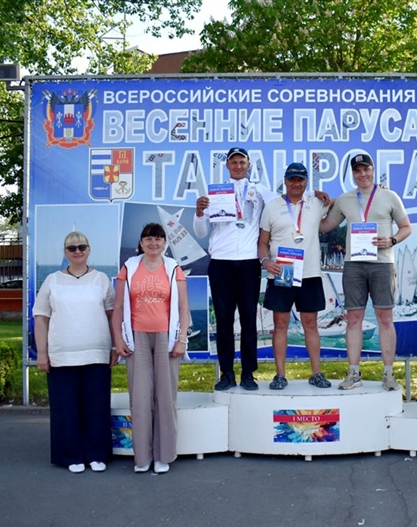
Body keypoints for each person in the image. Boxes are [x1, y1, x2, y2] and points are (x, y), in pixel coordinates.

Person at [194, 147, 328, 391]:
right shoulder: (214, 194)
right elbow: (201, 231)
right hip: (221, 261)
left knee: (248, 319)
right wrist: (199, 212)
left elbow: (289, 197)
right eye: (233, 162)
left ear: (248, 165)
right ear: (227, 165)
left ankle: (248, 374)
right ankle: (226, 373)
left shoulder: (261, 191)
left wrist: (313, 193)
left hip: (248, 262)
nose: (238, 166)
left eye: (242, 162)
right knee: (223, 320)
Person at [319, 153, 412, 391]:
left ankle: (388, 374)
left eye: (366, 169)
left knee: (385, 318)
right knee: (353, 319)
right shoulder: (345, 199)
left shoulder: (390, 196)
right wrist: (318, 205)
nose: (363, 174)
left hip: (382, 264)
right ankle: (353, 373)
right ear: (353, 174)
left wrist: (392, 240)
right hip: (354, 265)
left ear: (373, 170)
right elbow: (325, 226)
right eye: (358, 171)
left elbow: (406, 227)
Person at [33, 231, 115, 474]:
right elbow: (41, 318)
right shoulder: (52, 281)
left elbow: (112, 315)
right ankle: (70, 456)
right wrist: (42, 353)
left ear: (89, 250)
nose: (77, 251)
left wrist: (114, 346)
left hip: (97, 353)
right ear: (65, 252)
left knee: (97, 407)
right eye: (72, 248)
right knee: (65, 409)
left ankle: (96, 454)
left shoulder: (101, 279)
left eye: (81, 247)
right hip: (61, 355)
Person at [112, 223, 190, 474]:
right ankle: (143, 457)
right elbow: (118, 308)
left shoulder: (173, 268)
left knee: (166, 397)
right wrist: (118, 340)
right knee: (140, 399)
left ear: (165, 242)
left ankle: (163, 455)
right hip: (137, 339)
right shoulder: (129, 267)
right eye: (148, 239)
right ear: (141, 242)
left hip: (167, 338)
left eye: (158, 238)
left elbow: (183, 308)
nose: (153, 243)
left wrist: (181, 340)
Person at [257, 162, 331, 390]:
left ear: (306, 182)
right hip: (283, 272)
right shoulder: (271, 207)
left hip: (310, 274)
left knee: (311, 324)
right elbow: (262, 242)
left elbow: (336, 204)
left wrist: (319, 193)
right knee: (280, 324)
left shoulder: (316, 202)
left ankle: (316, 373)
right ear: (285, 181)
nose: (296, 183)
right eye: (292, 179)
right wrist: (265, 262)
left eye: (300, 179)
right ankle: (280, 375)